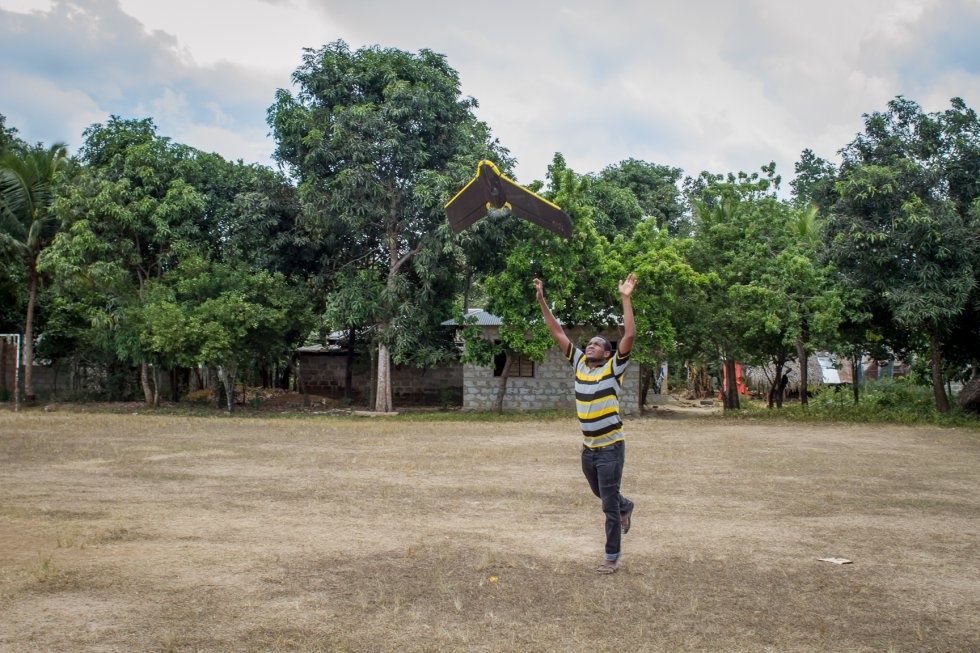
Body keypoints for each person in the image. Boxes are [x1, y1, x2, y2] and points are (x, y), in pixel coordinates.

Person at [533, 273, 637, 574]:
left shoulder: (613, 369)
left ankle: (612, 555)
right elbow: (556, 332)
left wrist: (625, 299)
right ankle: (625, 505)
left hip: (610, 449)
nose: (590, 346)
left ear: (607, 353)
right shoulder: (578, 364)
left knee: (607, 504)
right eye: (588, 343)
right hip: (588, 449)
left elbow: (629, 336)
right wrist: (542, 301)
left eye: (597, 344)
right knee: (603, 494)